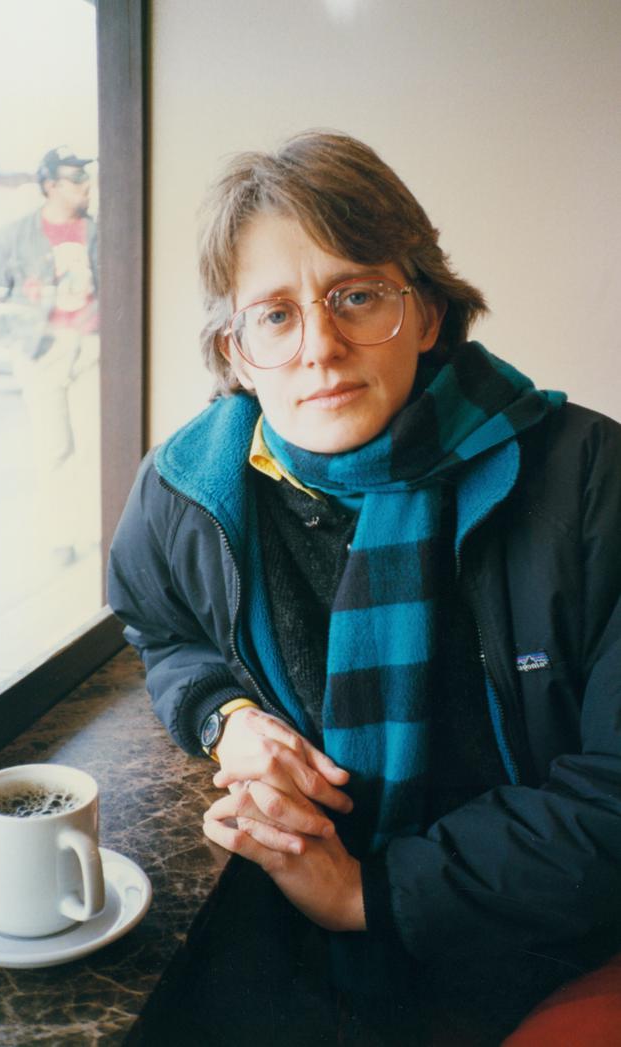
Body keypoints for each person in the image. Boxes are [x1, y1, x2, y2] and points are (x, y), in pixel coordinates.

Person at [108, 131, 621, 1045]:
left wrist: (365, 894)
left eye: (355, 296)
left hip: (523, 946)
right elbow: (159, 628)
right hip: (284, 954)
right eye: (275, 313)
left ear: (425, 313)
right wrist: (224, 715)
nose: (320, 347)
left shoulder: (590, 478)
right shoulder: (185, 488)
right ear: (236, 348)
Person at [0, 145, 100, 566]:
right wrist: (20, 340)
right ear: (49, 185)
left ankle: (100, 531)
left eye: (86, 176)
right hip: (43, 352)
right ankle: (61, 536)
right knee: (54, 447)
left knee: (95, 446)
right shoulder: (16, 235)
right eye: (76, 178)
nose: (86, 186)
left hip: (91, 349)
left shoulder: (99, 231)